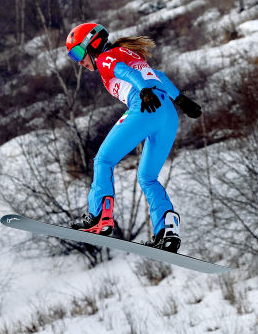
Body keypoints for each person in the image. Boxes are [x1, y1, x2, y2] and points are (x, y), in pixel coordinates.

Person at [64, 22, 202, 252]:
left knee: (103, 160)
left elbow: (124, 72)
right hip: (167, 113)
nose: (79, 61)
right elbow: (159, 75)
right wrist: (181, 100)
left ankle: (99, 218)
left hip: (146, 107)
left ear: (93, 44)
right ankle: (167, 232)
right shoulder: (128, 53)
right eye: (73, 56)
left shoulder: (105, 57)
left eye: (78, 52)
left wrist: (143, 90)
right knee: (148, 177)